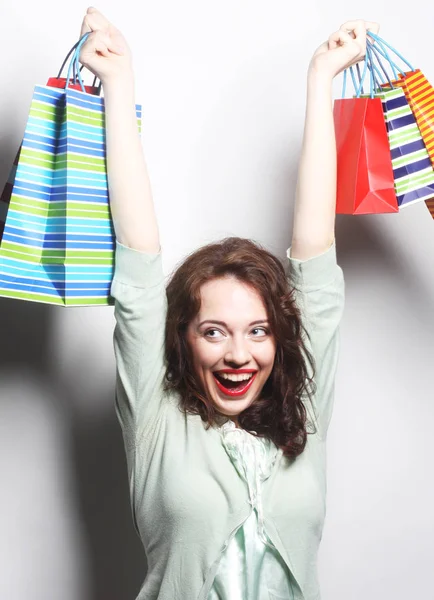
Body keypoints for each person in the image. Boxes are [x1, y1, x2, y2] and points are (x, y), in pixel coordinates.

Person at [79, 8, 378, 599]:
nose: (239, 354)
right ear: (182, 338)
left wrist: (321, 81)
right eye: (213, 331)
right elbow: (138, 259)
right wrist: (120, 87)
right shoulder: (158, 421)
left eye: (258, 331)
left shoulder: (304, 411)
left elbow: (315, 251)